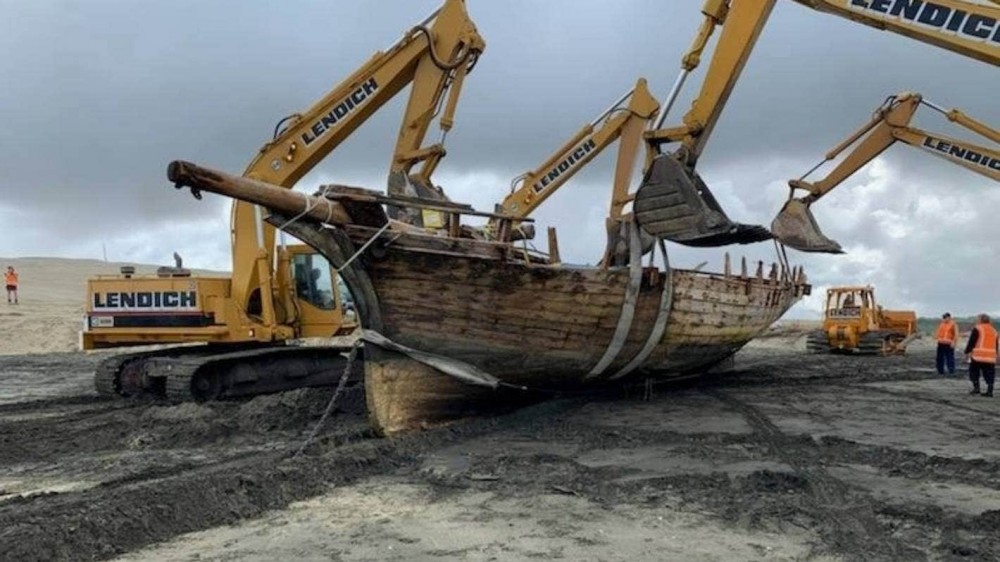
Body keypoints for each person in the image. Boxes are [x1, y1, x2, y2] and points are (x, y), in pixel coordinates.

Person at [963, 313, 997, 397]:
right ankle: (990, 391)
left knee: (974, 372)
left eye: (977, 319)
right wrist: (997, 354)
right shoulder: (994, 330)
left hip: (978, 356)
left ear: (980, 320)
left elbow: (972, 341)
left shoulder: (978, 328)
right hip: (990, 357)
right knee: (990, 374)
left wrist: (967, 352)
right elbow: (996, 344)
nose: (976, 320)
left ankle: (976, 389)